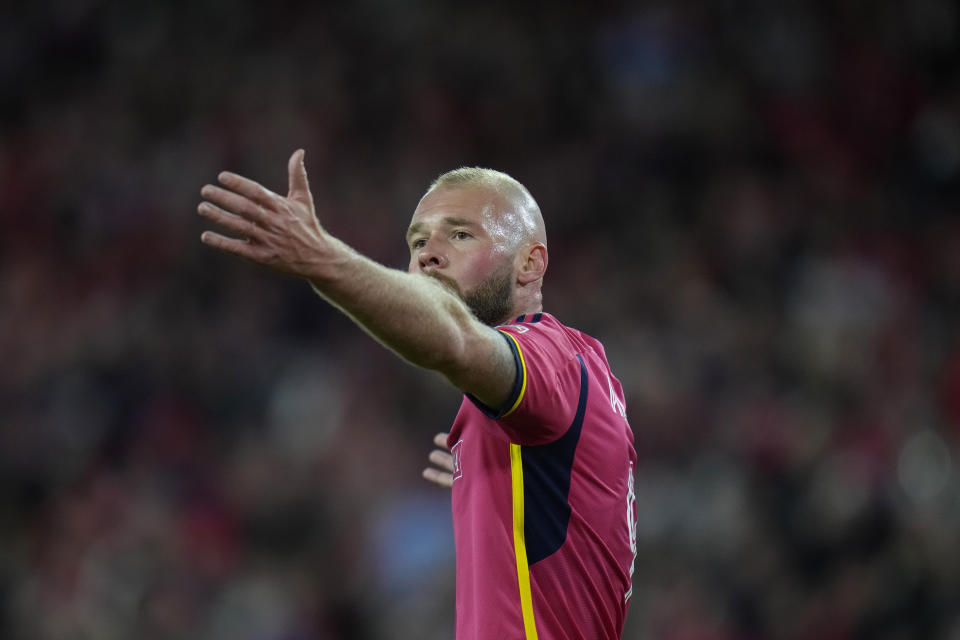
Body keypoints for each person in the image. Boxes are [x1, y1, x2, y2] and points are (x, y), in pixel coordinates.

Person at [197, 150, 638, 639]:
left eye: (461, 234)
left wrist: (322, 259)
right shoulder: (574, 380)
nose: (428, 253)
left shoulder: (551, 358)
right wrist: (494, 488)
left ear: (530, 263)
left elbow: (454, 340)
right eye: (418, 241)